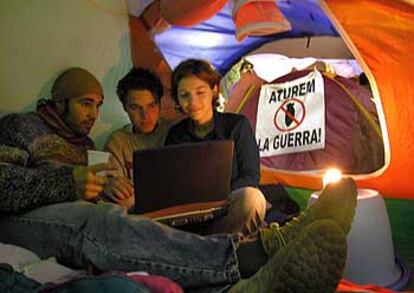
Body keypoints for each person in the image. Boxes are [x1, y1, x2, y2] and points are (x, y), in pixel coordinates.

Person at [0, 66, 358, 292]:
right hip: (25, 219)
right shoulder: (20, 127)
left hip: (98, 215)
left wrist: (99, 188)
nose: (94, 114)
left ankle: (267, 249)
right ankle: (257, 253)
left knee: (248, 196)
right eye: (84, 104)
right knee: (99, 221)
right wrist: (72, 183)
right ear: (59, 102)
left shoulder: (85, 145)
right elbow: (5, 185)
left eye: (97, 104)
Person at [165, 59, 266, 235]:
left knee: (252, 198)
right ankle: (210, 246)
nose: (193, 102)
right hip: (190, 214)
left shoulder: (236, 126)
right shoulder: (176, 134)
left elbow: (251, 176)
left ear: (214, 90)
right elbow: (171, 185)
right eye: (184, 95)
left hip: (227, 207)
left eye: (200, 92)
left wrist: (215, 198)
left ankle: (207, 246)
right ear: (177, 99)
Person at [103, 68, 172, 208]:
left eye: (151, 105)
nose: (145, 115)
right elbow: (120, 198)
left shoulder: (174, 131)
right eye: (135, 107)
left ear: (160, 104)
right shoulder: (117, 142)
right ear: (125, 107)